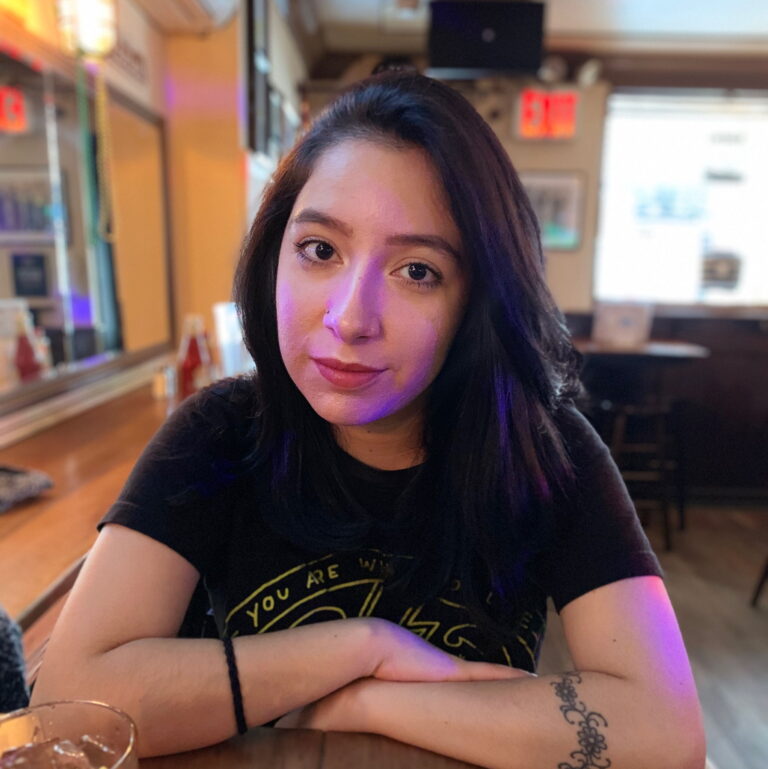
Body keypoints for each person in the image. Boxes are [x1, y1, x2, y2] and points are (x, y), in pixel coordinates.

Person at [32, 72, 705, 769]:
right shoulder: (221, 433)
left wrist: (363, 701)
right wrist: (362, 646)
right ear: (275, 254)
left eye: (417, 270)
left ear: (477, 300)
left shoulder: (544, 449)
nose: (350, 319)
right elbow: (68, 705)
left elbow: (667, 733)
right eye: (320, 250)